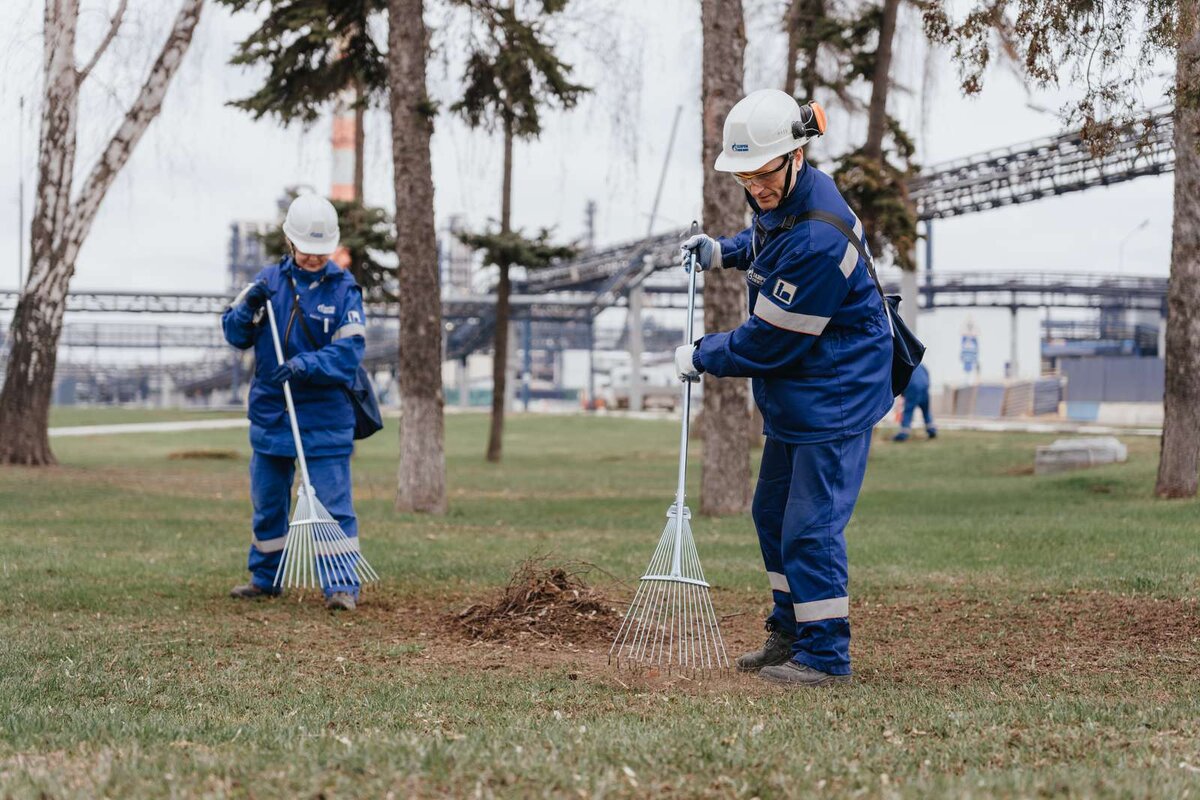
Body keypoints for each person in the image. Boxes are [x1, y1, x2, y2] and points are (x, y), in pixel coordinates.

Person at [677, 90, 892, 687]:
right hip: (803, 389)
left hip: (837, 392)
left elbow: (766, 343)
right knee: (771, 513)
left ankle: (826, 656)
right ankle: (791, 630)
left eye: (764, 173)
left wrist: (699, 354)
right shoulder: (787, 197)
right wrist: (723, 250)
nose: (756, 188)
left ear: (796, 155)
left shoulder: (821, 238)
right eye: (744, 177)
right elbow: (770, 234)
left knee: (810, 527)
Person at [221, 194, 368, 611]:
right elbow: (234, 336)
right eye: (307, 250)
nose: (313, 259)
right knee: (268, 502)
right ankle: (266, 578)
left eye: (322, 252)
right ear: (290, 243)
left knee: (333, 505)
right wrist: (245, 310)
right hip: (273, 413)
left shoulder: (344, 291)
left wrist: (306, 366)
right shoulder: (266, 284)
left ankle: (341, 586)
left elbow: (349, 354)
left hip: (325, 416)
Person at [893, 363, 937, 441]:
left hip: (912, 388)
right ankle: (931, 429)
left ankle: (903, 433)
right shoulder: (920, 364)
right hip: (924, 387)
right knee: (926, 410)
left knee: (908, 411)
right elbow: (927, 375)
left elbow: (901, 378)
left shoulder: (905, 363)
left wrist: (902, 392)